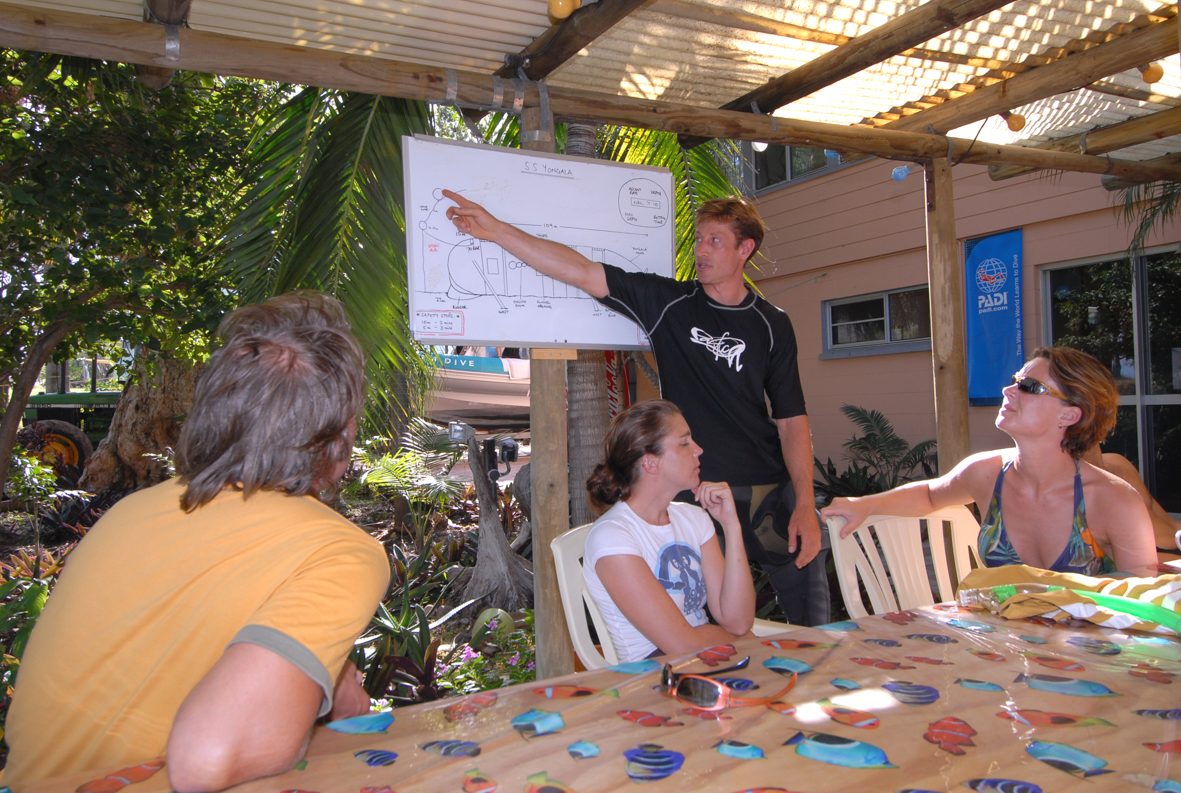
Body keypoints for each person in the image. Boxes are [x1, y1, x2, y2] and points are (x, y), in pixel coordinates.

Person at [5, 293, 390, 792]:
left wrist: (321, 684)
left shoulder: (132, 512)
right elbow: (206, 760)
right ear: (337, 439)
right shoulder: (339, 552)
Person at [444, 190, 829, 625]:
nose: (701, 251)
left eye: (715, 241)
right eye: (699, 239)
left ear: (745, 249)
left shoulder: (772, 324)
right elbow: (581, 271)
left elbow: (791, 420)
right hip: (694, 497)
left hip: (766, 494)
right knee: (707, 628)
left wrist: (804, 503)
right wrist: (496, 231)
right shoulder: (670, 304)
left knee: (816, 621)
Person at [821, 346, 1158, 577]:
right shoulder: (986, 473)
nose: (1009, 390)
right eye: (1014, 381)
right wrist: (864, 504)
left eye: (1029, 386)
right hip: (1002, 648)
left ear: (1069, 415)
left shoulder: (1114, 500)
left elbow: (1143, 599)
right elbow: (929, 495)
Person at [583, 400, 755, 661]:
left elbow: (738, 622)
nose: (698, 449)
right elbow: (682, 645)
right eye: (684, 443)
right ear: (651, 463)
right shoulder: (612, 537)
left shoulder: (694, 519)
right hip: (656, 673)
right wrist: (743, 641)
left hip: (710, 659)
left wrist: (731, 526)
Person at [1080, 446, 1180, 563]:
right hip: (1151, 562)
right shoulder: (1077, 485)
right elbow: (1118, 559)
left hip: (1176, 545)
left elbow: (1170, 523)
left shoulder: (1118, 461)